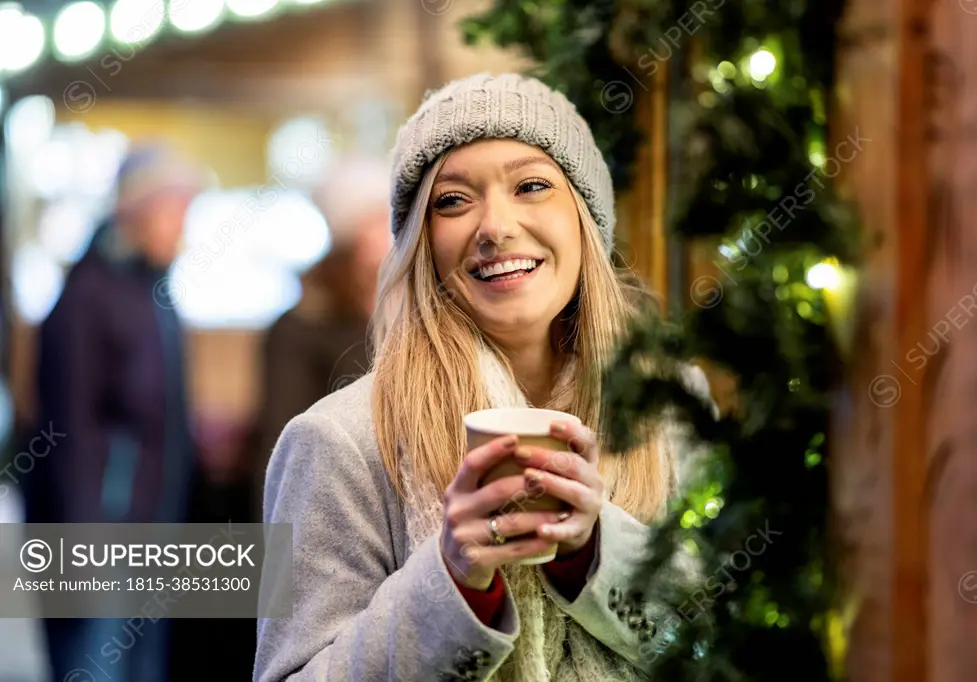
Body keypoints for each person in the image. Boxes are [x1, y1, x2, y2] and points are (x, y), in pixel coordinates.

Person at [254, 73, 713, 681]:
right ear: (423, 241)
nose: (494, 226)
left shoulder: (670, 406)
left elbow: (722, 645)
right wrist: (451, 583)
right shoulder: (337, 443)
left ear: (585, 219)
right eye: (452, 200)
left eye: (531, 186)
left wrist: (596, 554)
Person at [27, 142, 206, 682]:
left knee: (144, 663)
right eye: (176, 211)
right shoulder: (86, 298)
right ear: (137, 210)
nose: (183, 228)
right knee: (96, 661)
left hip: (155, 523)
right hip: (105, 533)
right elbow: (67, 431)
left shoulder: (153, 293)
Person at [250, 154, 391, 519]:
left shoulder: (395, 311)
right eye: (379, 220)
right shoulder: (299, 327)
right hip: (328, 513)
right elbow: (279, 444)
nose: (391, 232)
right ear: (354, 235)